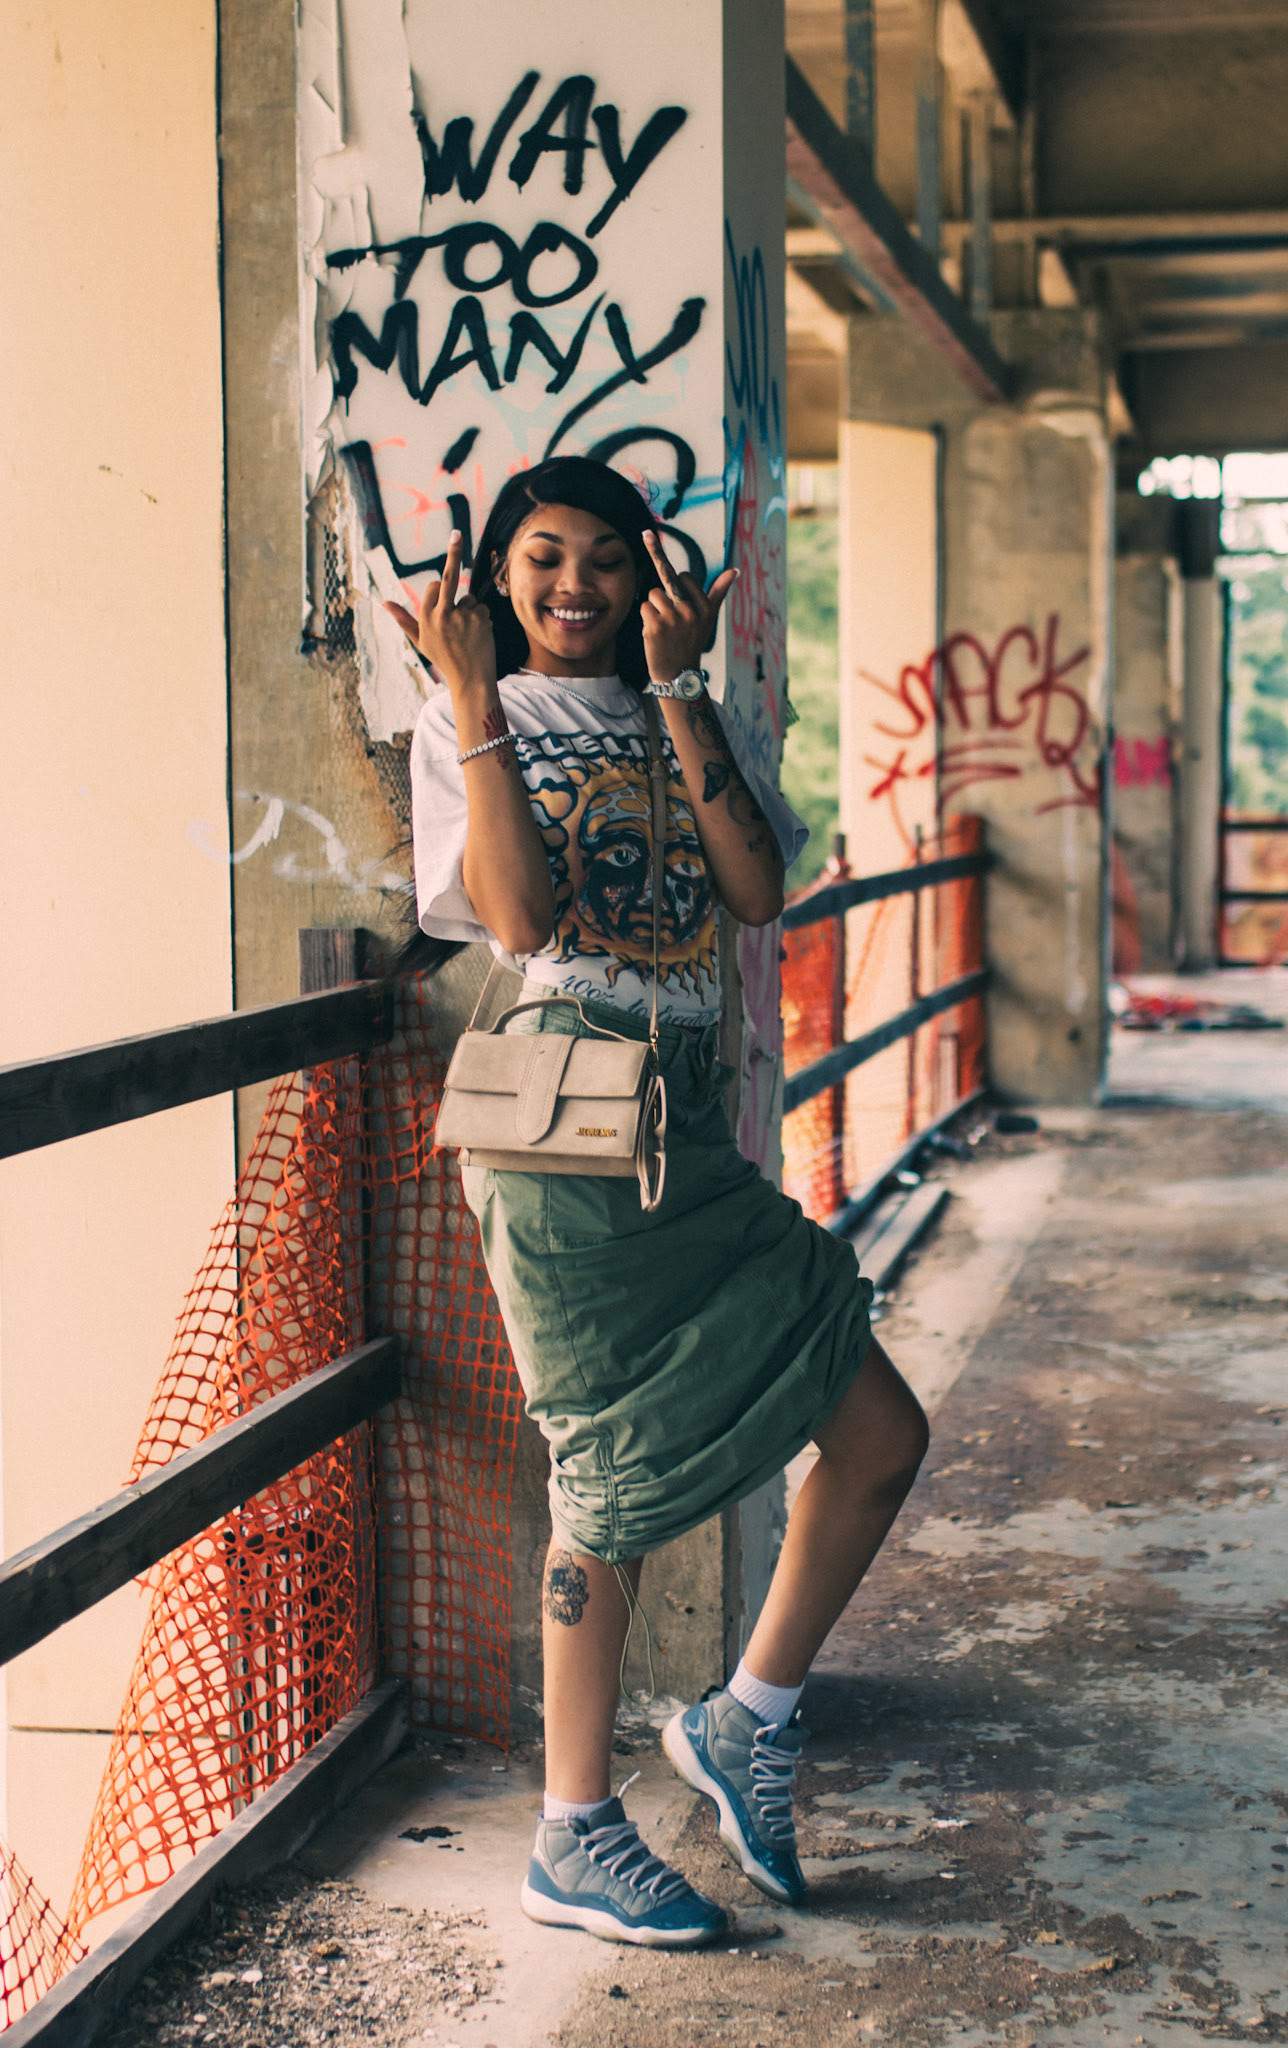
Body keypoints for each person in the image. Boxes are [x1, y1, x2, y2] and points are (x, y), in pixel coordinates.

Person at [394, 455, 928, 1949]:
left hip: (687, 1122)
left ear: (648, 578)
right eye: (542, 558)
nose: (574, 586)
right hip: (564, 1122)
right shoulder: (463, 718)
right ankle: (572, 1833)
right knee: (606, 1480)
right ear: (498, 576)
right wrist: (473, 693)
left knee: (881, 1431)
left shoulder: (685, 706)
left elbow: (756, 895)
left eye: (605, 560)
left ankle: (748, 1718)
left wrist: (682, 691)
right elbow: (517, 919)